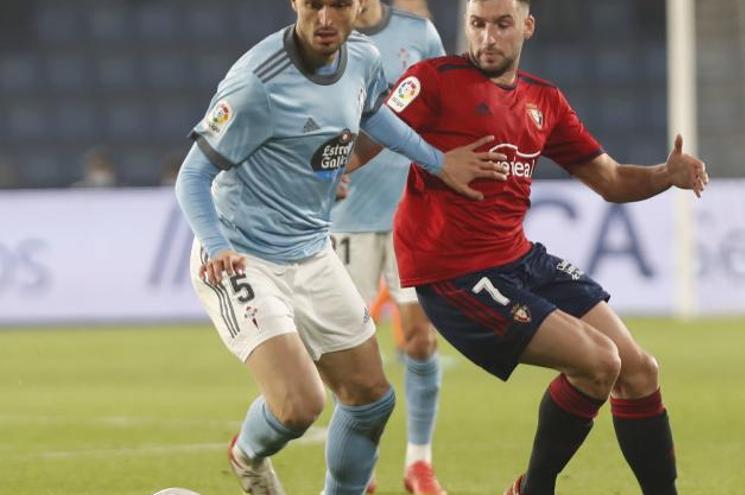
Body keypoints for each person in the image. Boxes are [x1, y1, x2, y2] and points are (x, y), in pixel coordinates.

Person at [174, 0, 506, 494]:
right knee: (301, 405)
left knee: (370, 398)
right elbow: (192, 176)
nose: (326, 18)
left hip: (310, 249)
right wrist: (218, 245)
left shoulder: (365, 57)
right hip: (243, 257)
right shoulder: (256, 82)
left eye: (340, 5)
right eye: (314, 4)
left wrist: (438, 162)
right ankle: (247, 454)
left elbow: (374, 117)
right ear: (295, 3)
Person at [379, 0, 709, 493]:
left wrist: (666, 175)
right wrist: (429, 160)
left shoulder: (544, 100)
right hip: (454, 275)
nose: (488, 38)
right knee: (599, 363)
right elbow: (366, 132)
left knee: (639, 370)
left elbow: (611, 179)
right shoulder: (432, 81)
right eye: (478, 25)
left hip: (517, 258)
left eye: (502, 24)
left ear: (527, 27)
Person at [330, 1, 447, 493]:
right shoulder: (326, 37)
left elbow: (445, 106)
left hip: (410, 215)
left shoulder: (419, 35)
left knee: (419, 339)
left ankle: (418, 464)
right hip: (347, 220)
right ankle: (362, 467)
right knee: (348, 356)